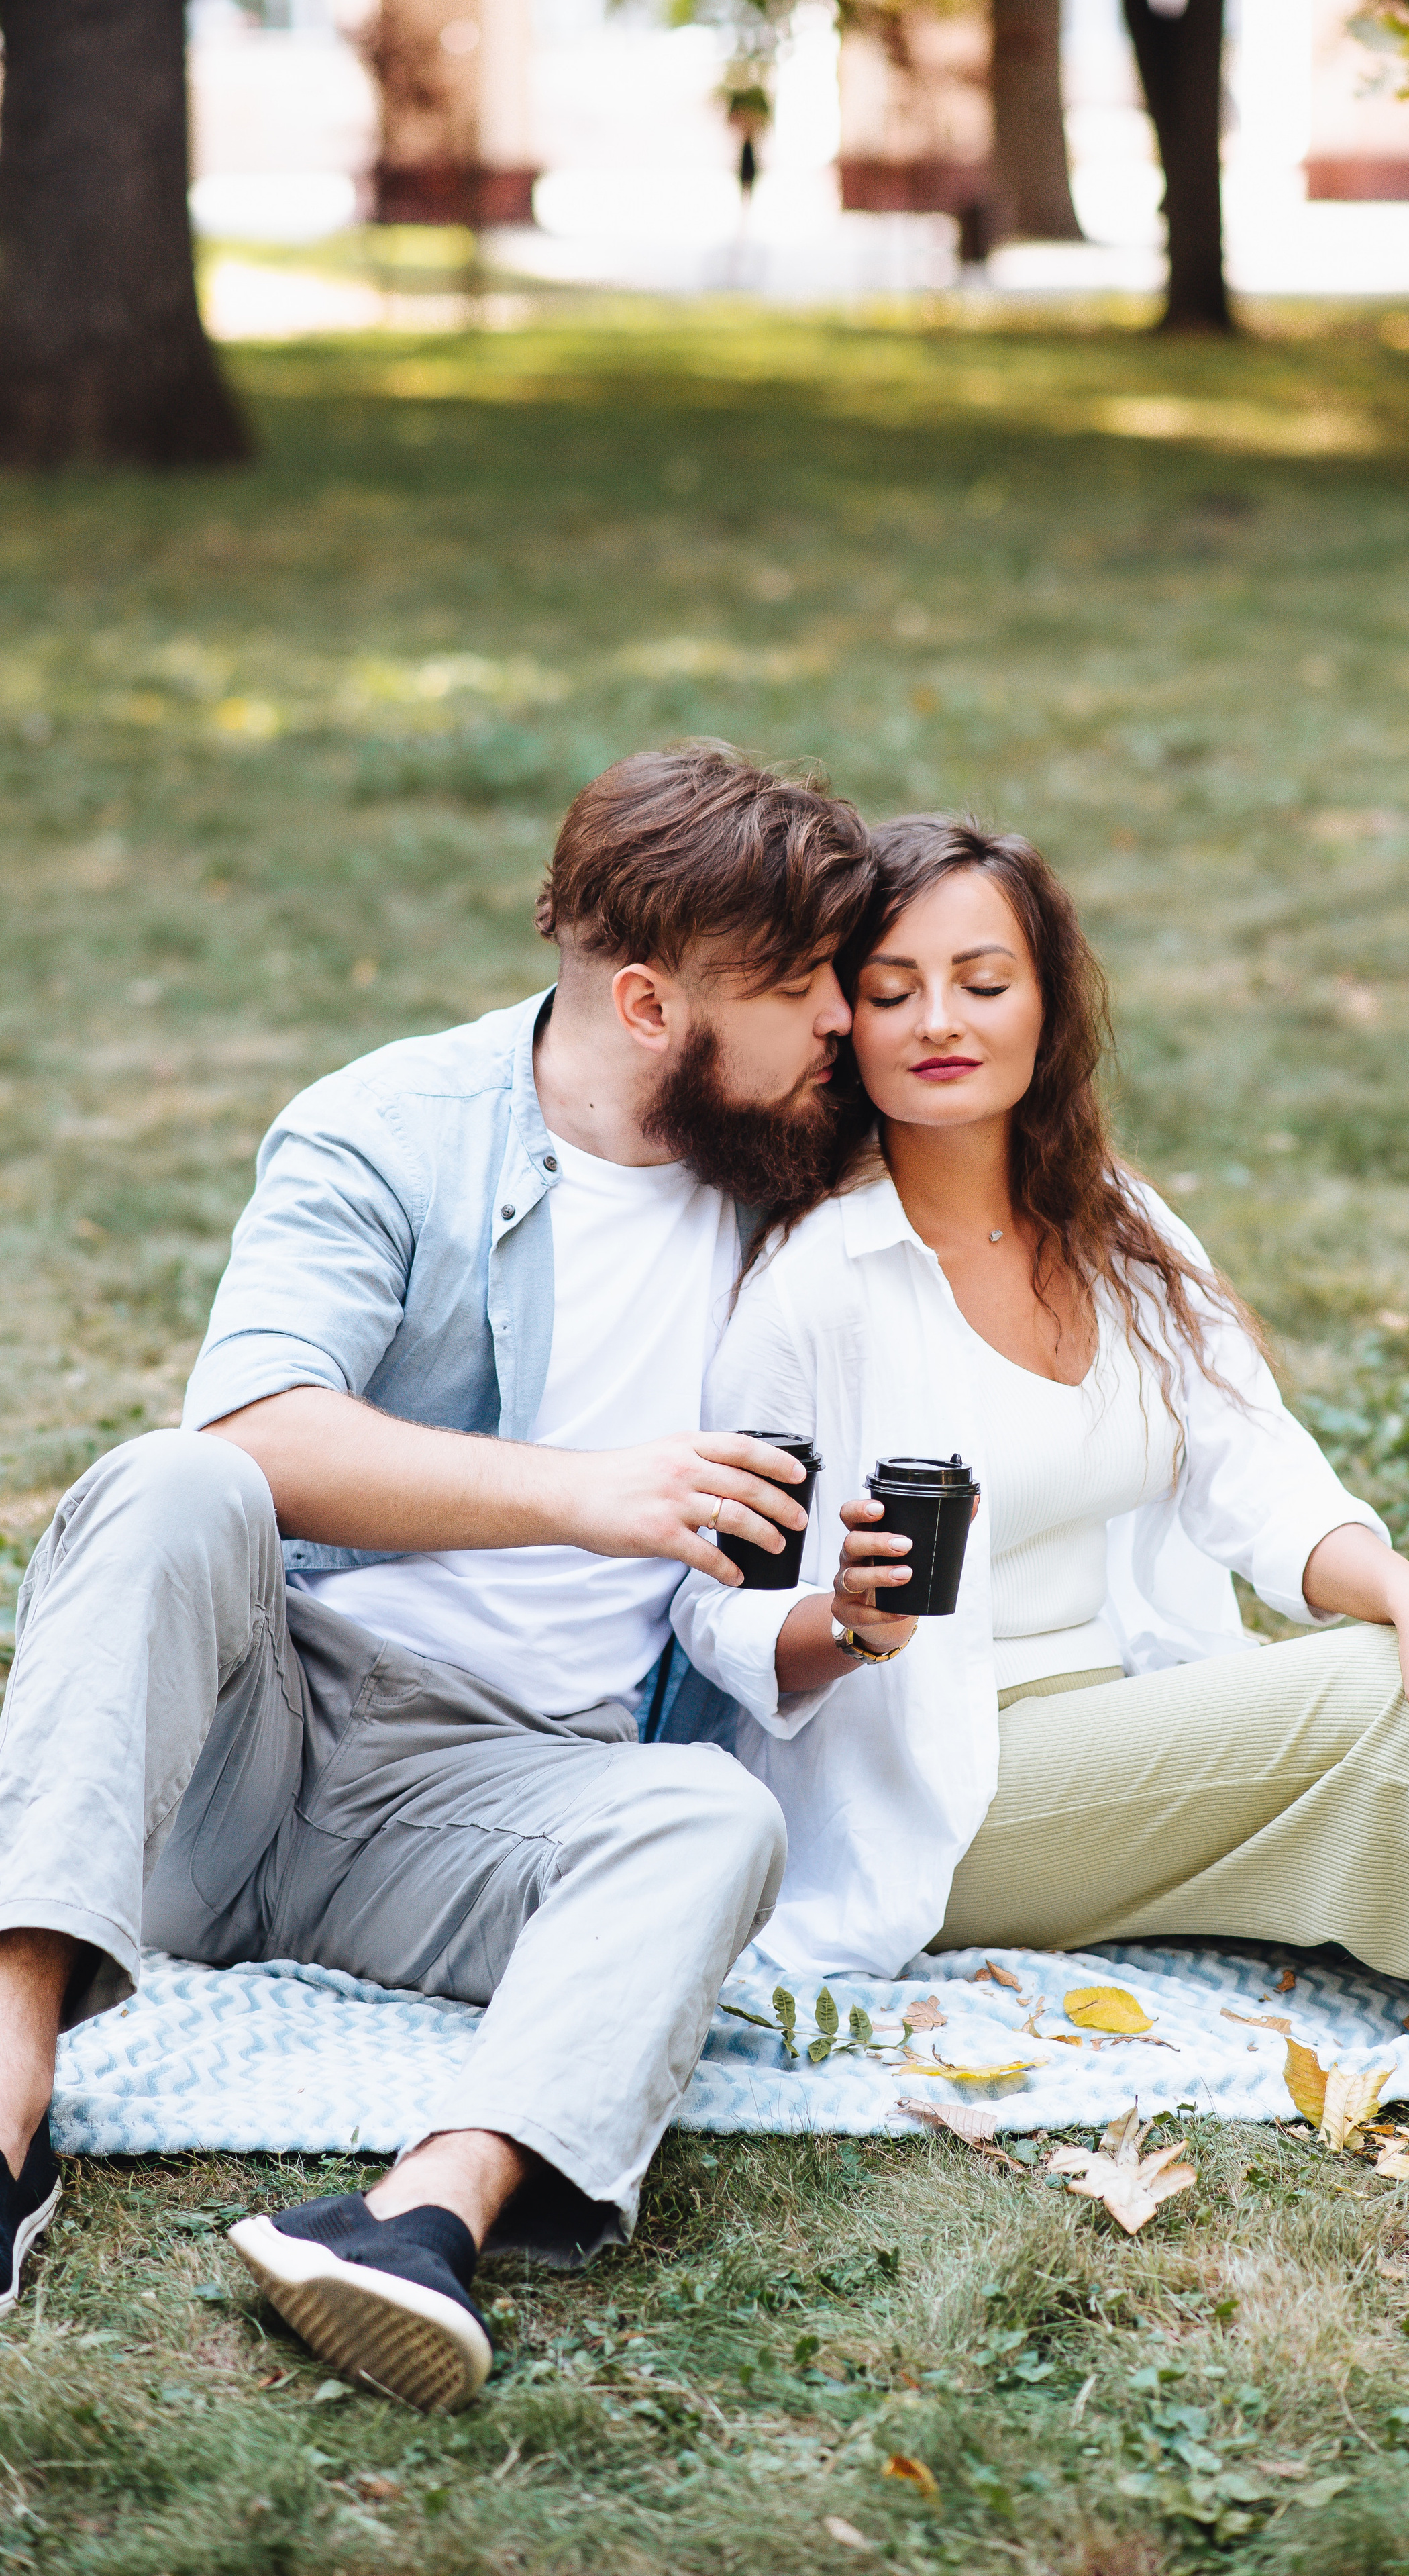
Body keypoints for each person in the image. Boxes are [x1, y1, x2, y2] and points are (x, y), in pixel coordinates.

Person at [0, 744, 875, 2410]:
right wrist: (584, 1497)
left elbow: (1042, 1183)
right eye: (797, 986)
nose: (839, 1019)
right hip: (250, 1736)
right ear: (644, 1005)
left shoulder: (793, 1172)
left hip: (486, 1804)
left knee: (710, 1814)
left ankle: (415, 2222)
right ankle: (2, 2102)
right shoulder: (387, 1127)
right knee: (175, 1478)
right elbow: (261, 1424)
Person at [675, 813, 1409, 2158]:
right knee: (1376, 1711)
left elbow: (1253, 1468)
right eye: (891, 990)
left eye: (982, 981)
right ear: (847, 1023)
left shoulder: (1114, 1222)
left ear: (1045, 1004)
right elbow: (715, 1612)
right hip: (935, 1786)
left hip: (1123, 1705)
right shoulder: (815, 1288)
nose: (938, 1017)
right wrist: (852, 1620)